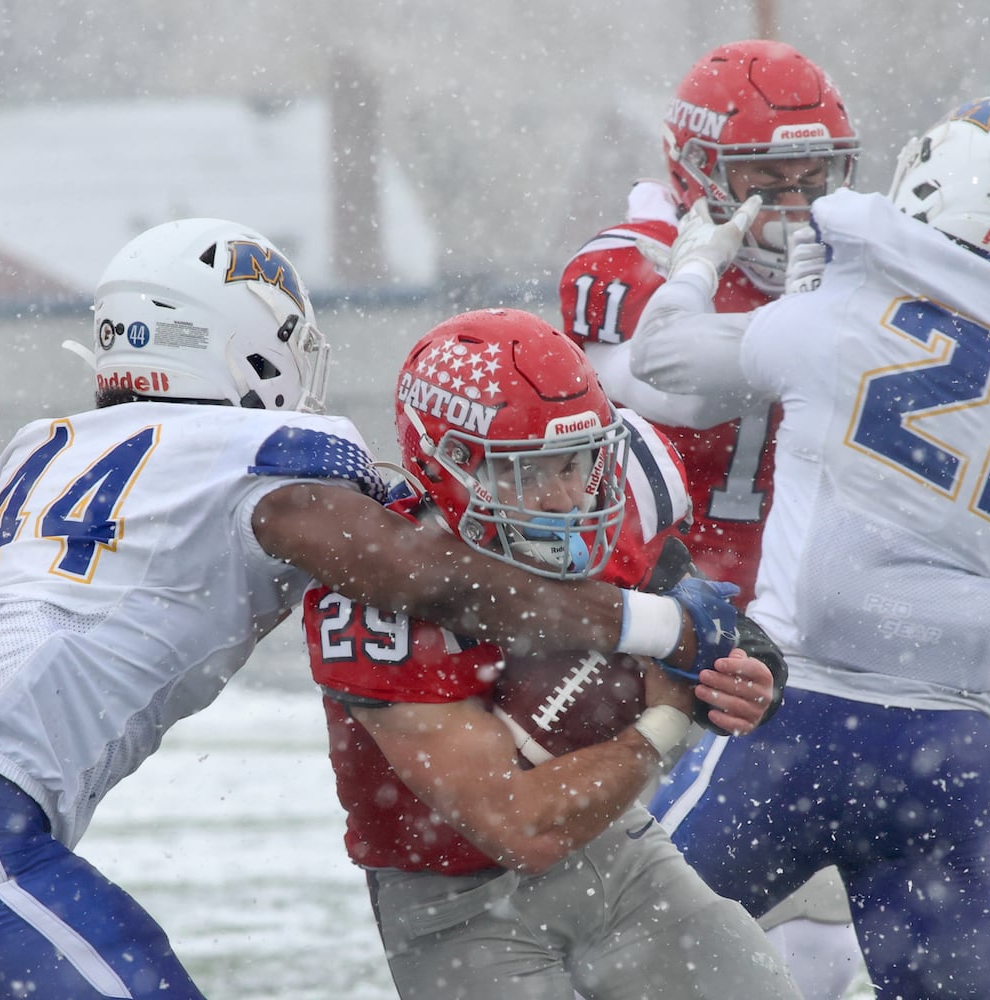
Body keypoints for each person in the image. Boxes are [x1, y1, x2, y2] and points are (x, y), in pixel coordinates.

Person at [0, 220, 744, 1000]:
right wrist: (653, 627)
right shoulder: (262, 452)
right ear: (239, 341)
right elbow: (427, 579)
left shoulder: (50, 448)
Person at [635, 93, 990, 997]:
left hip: (791, 717)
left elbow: (662, 360)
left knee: (618, 959)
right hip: (948, 746)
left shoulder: (836, 320)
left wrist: (696, 264)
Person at [305, 307, 800, 999]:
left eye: (575, 462)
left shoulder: (612, 494)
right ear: (450, 461)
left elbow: (696, 612)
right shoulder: (376, 595)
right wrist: (666, 718)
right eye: (531, 470)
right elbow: (519, 827)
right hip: (459, 909)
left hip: (618, 857)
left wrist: (745, 671)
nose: (568, 496)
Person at [559, 38, 864, 995]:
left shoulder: (857, 265)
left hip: (795, 623)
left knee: (818, 927)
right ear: (694, 168)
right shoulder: (626, 265)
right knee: (648, 915)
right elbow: (664, 385)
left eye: (818, 173)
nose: (796, 197)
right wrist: (809, 321)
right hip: (657, 622)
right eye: (765, 175)